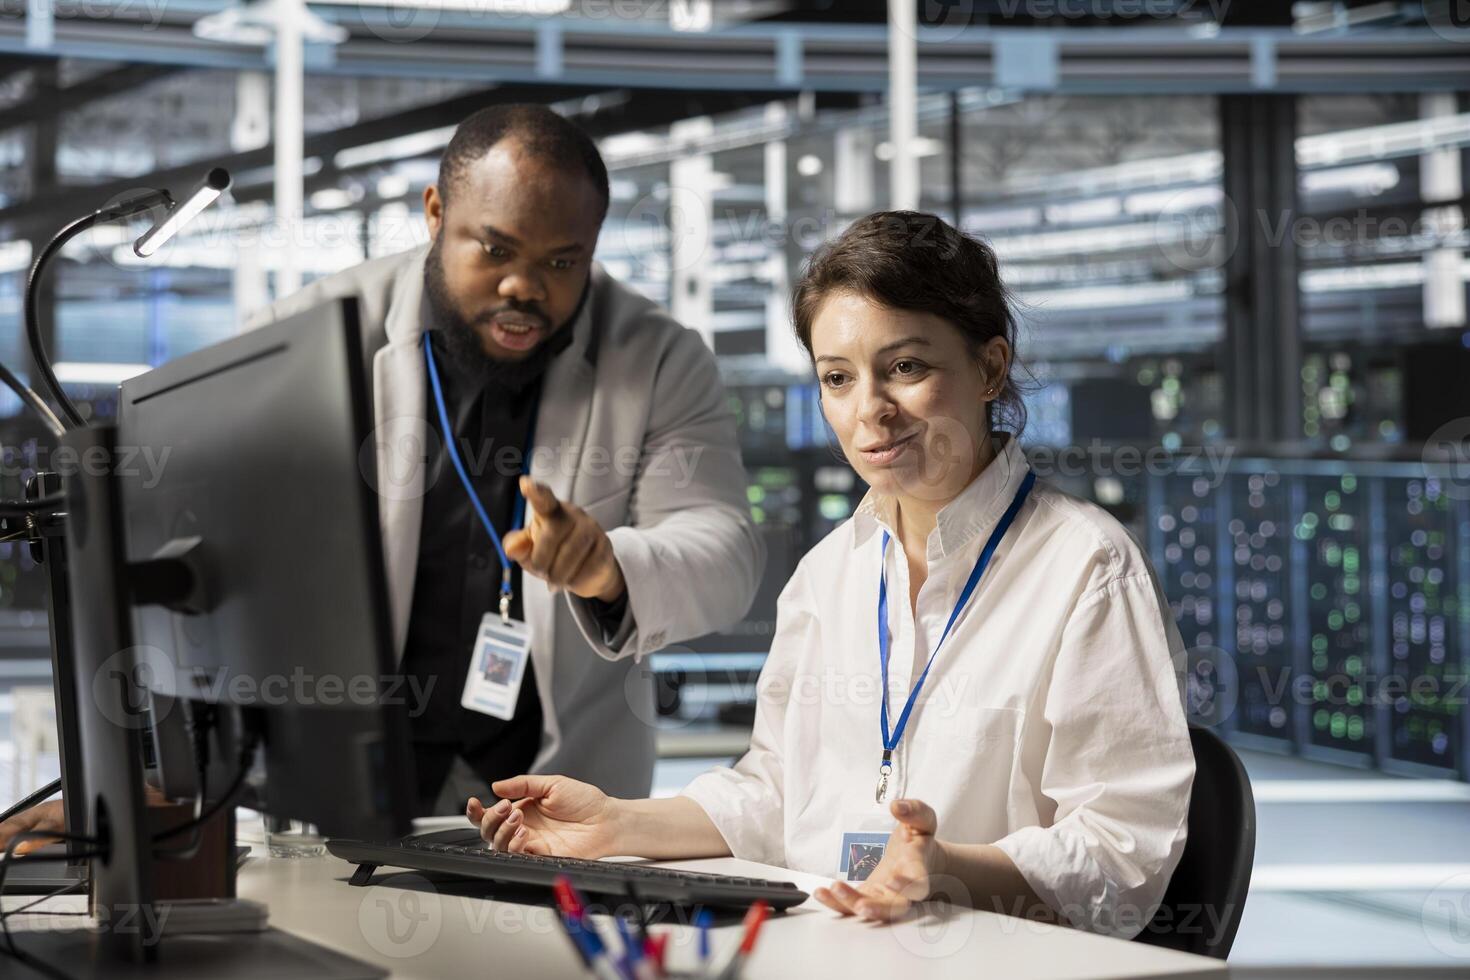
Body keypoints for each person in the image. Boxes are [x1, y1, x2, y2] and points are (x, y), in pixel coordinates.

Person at [463, 211, 1195, 938]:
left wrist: (946, 869)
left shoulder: (1087, 568)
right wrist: (618, 823)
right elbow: (777, 792)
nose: (869, 411)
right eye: (838, 378)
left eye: (906, 368)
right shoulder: (828, 573)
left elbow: (1122, 850)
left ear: (990, 368)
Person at [243, 103, 763, 812]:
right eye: (495, 250)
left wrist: (610, 567)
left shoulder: (660, 357)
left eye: (560, 261)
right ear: (435, 213)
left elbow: (725, 551)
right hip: (345, 779)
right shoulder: (304, 339)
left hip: (558, 798)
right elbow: (222, 563)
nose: (525, 287)